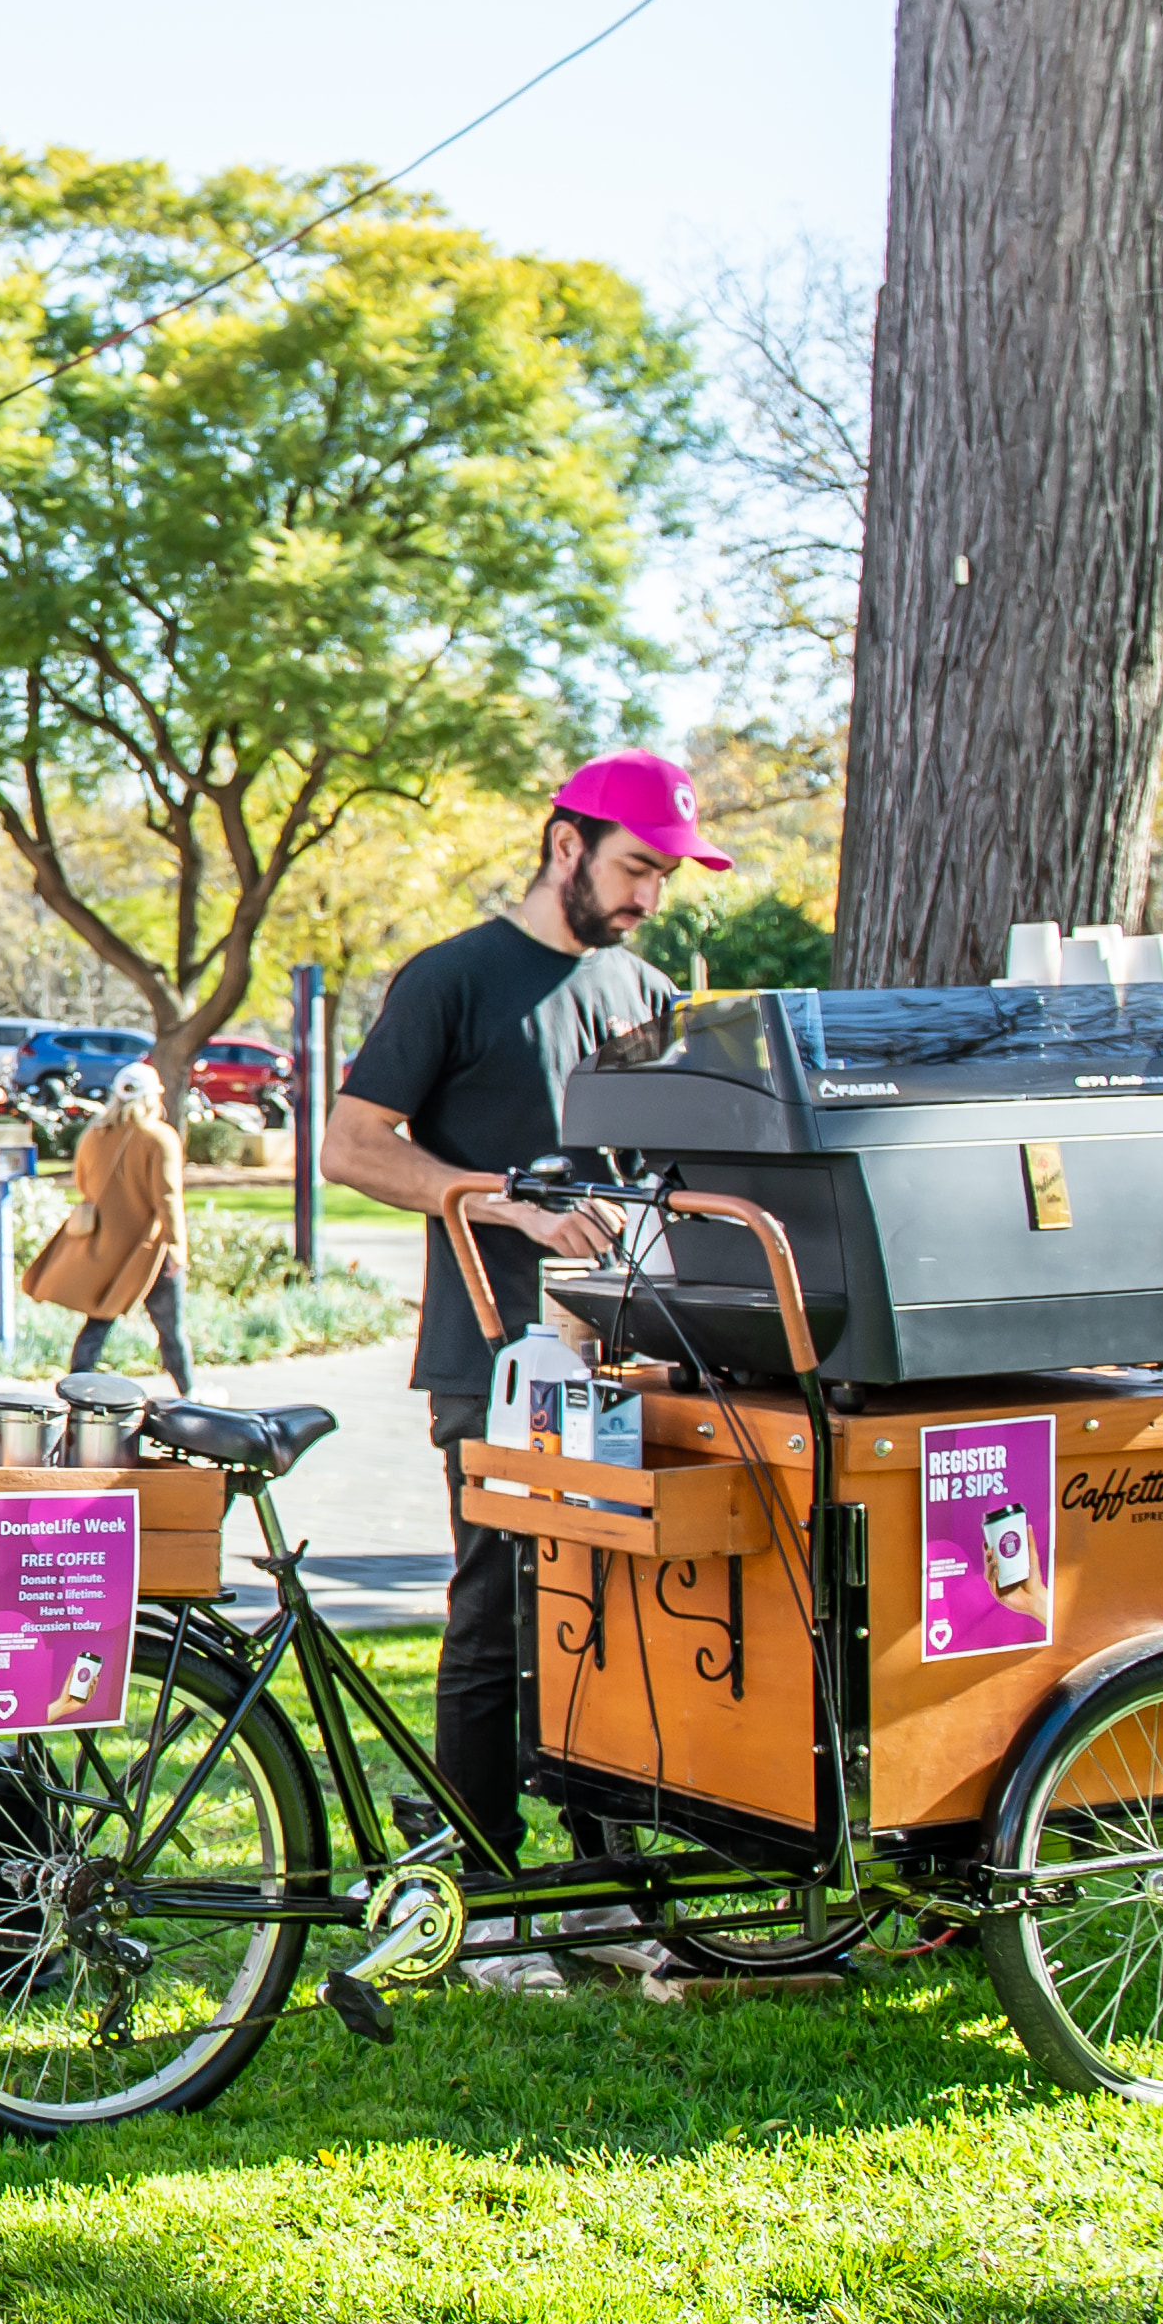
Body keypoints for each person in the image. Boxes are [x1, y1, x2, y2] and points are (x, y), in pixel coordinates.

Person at [320, 750, 705, 1977]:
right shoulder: (453, 979)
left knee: (616, 1617)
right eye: (636, 866)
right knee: (496, 1613)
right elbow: (350, 1147)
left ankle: (597, 1882)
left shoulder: (643, 992)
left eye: (665, 874)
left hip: (628, 1360)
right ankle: (480, 1895)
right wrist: (498, 1204)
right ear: (563, 845)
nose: (649, 894)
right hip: (485, 1359)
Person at [26, 1060, 192, 1391]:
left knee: (100, 1315)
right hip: (147, 1246)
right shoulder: (159, 1137)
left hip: (105, 1243)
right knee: (170, 1325)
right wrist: (177, 1246)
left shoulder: (94, 1134)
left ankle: (75, 1385)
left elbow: (83, 1182)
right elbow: (167, 1197)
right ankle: (188, 1391)